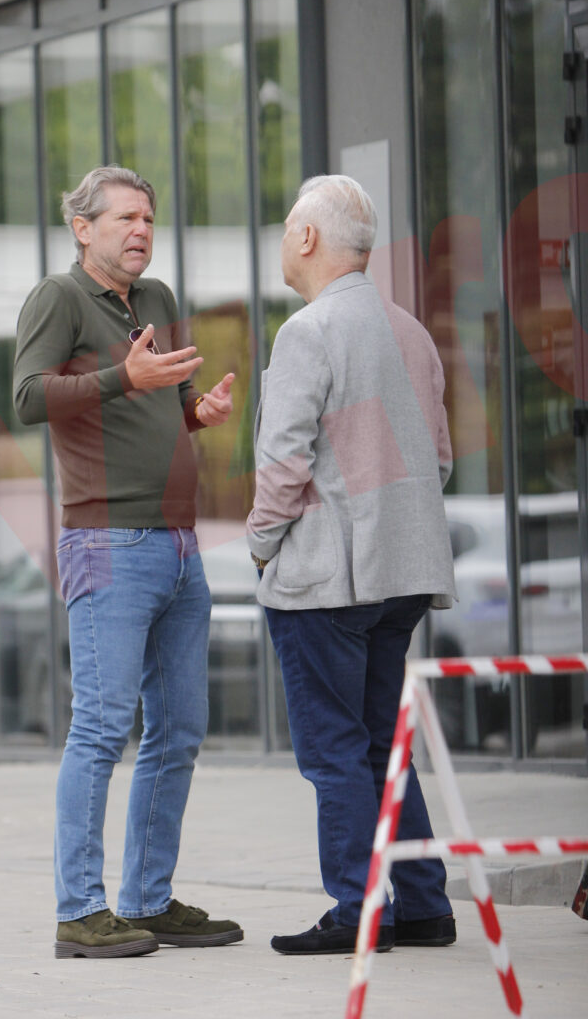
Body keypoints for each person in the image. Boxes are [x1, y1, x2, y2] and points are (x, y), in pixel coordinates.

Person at [14, 165, 243, 959]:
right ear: (84, 228)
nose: (142, 229)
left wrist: (194, 413)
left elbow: (158, 401)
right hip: (107, 543)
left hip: (180, 544)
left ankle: (147, 899)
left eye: (149, 217)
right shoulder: (59, 298)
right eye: (125, 218)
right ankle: (80, 912)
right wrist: (122, 376)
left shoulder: (159, 301)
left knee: (179, 728)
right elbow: (27, 397)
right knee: (103, 727)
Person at [246, 174, 457, 955]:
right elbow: (435, 459)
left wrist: (264, 544)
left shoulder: (308, 331)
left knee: (334, 749)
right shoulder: (409, 330)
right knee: (378, 744)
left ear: (306, 238)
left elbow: (282, 465)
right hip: (402, 574)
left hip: (327, 582)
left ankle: (356, 911)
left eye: (286, 227)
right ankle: (425, 905)